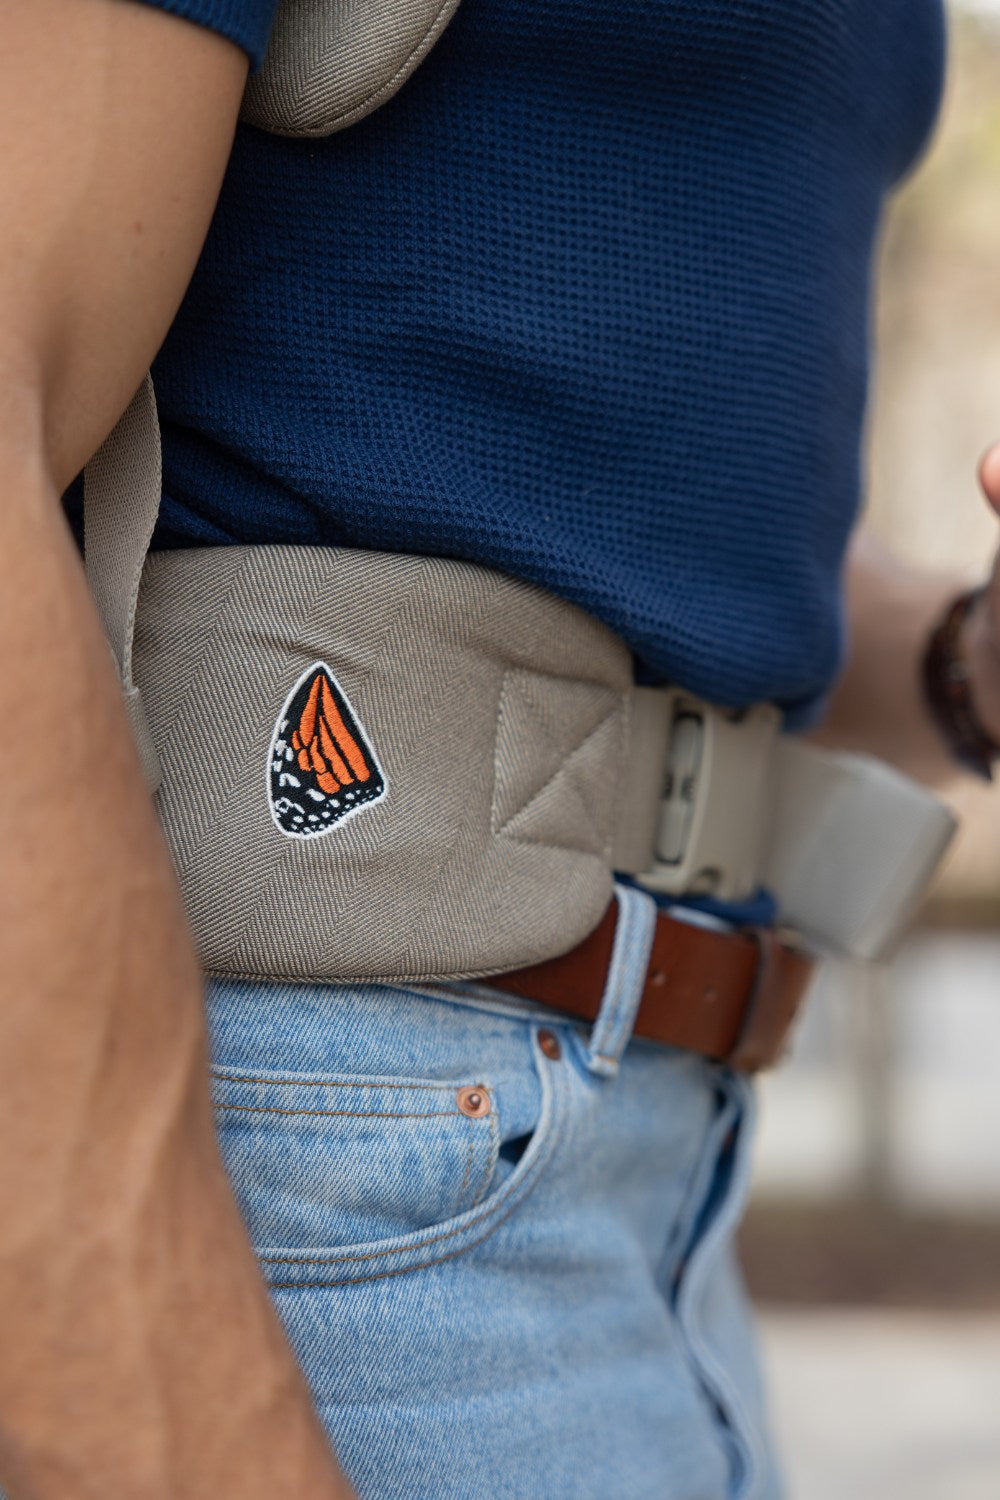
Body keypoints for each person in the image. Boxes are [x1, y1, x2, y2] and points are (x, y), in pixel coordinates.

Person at [0, 1, 996, 1496]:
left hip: (648, 1181)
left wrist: (962, 664)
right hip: (328, 1174)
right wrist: (148, 1383)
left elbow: (602, 569)